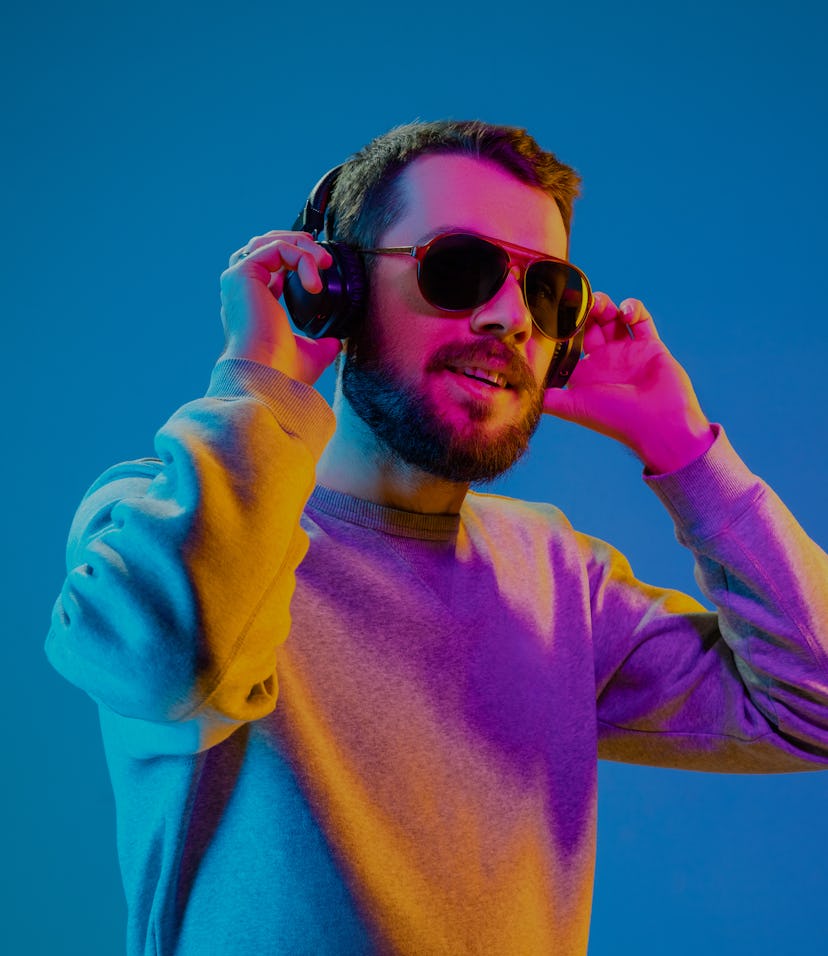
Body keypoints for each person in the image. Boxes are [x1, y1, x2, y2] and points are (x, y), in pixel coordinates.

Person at [46, 120, 828, 956]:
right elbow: (170, 662)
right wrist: (259, 384)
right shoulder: (163, 518)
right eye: (459, 268)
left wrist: (682, 445)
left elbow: (813, 706)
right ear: (337, 288)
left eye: (547, 291)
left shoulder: (559, 579)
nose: (511, 319)